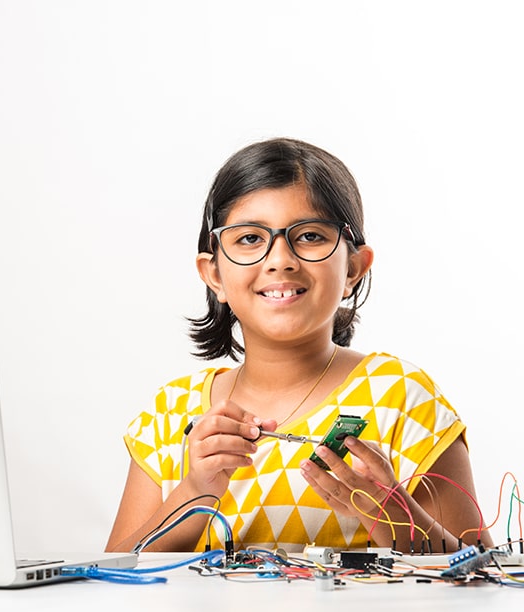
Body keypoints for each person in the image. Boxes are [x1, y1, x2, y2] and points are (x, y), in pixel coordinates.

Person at [105, 138, 485, 555]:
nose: (280, 259)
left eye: (308, 236)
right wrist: (194, 492)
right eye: (249, 238)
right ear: (213, 274)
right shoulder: (170, 413)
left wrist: (389, 511)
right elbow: (108, 578)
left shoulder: (403, 398)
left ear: (354, 268)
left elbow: (483, 578)